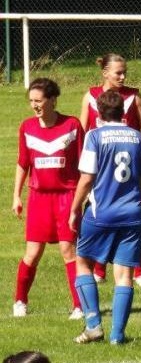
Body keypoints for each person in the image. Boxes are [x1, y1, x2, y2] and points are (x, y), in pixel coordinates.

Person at [80, 53, 141, 286]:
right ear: (105, 73)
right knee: (100, 214)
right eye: (118, 73)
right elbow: (82, 132)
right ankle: (99, 270)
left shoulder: (134, 97)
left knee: (132, 215)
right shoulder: (91, 97)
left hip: (127, 168)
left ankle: (139, 271)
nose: (123, 76)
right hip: (101, 167)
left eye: (125, 72)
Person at [69, 89, 141, 344]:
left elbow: (87, 178)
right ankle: (117, 336)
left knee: (82, 262)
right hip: (133, 213)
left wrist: (74, 209)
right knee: (124, 274)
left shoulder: (94, 136)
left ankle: (93, 325)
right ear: (123, 111)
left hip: (101, 212)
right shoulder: (138, 137)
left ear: (99, 113)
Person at [11, 78, 84, 320]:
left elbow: (86, 163)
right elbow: (23, 164)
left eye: (39, 100)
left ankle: (79, 306)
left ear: (53, 100)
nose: (35, 105)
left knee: (68, 251)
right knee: (32, 253)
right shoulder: (26, 127)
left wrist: (88, 193)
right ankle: (20, 301)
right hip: (39, 198)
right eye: (31, 101)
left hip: (67, 197)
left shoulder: (72, 125)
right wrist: (16, 196)